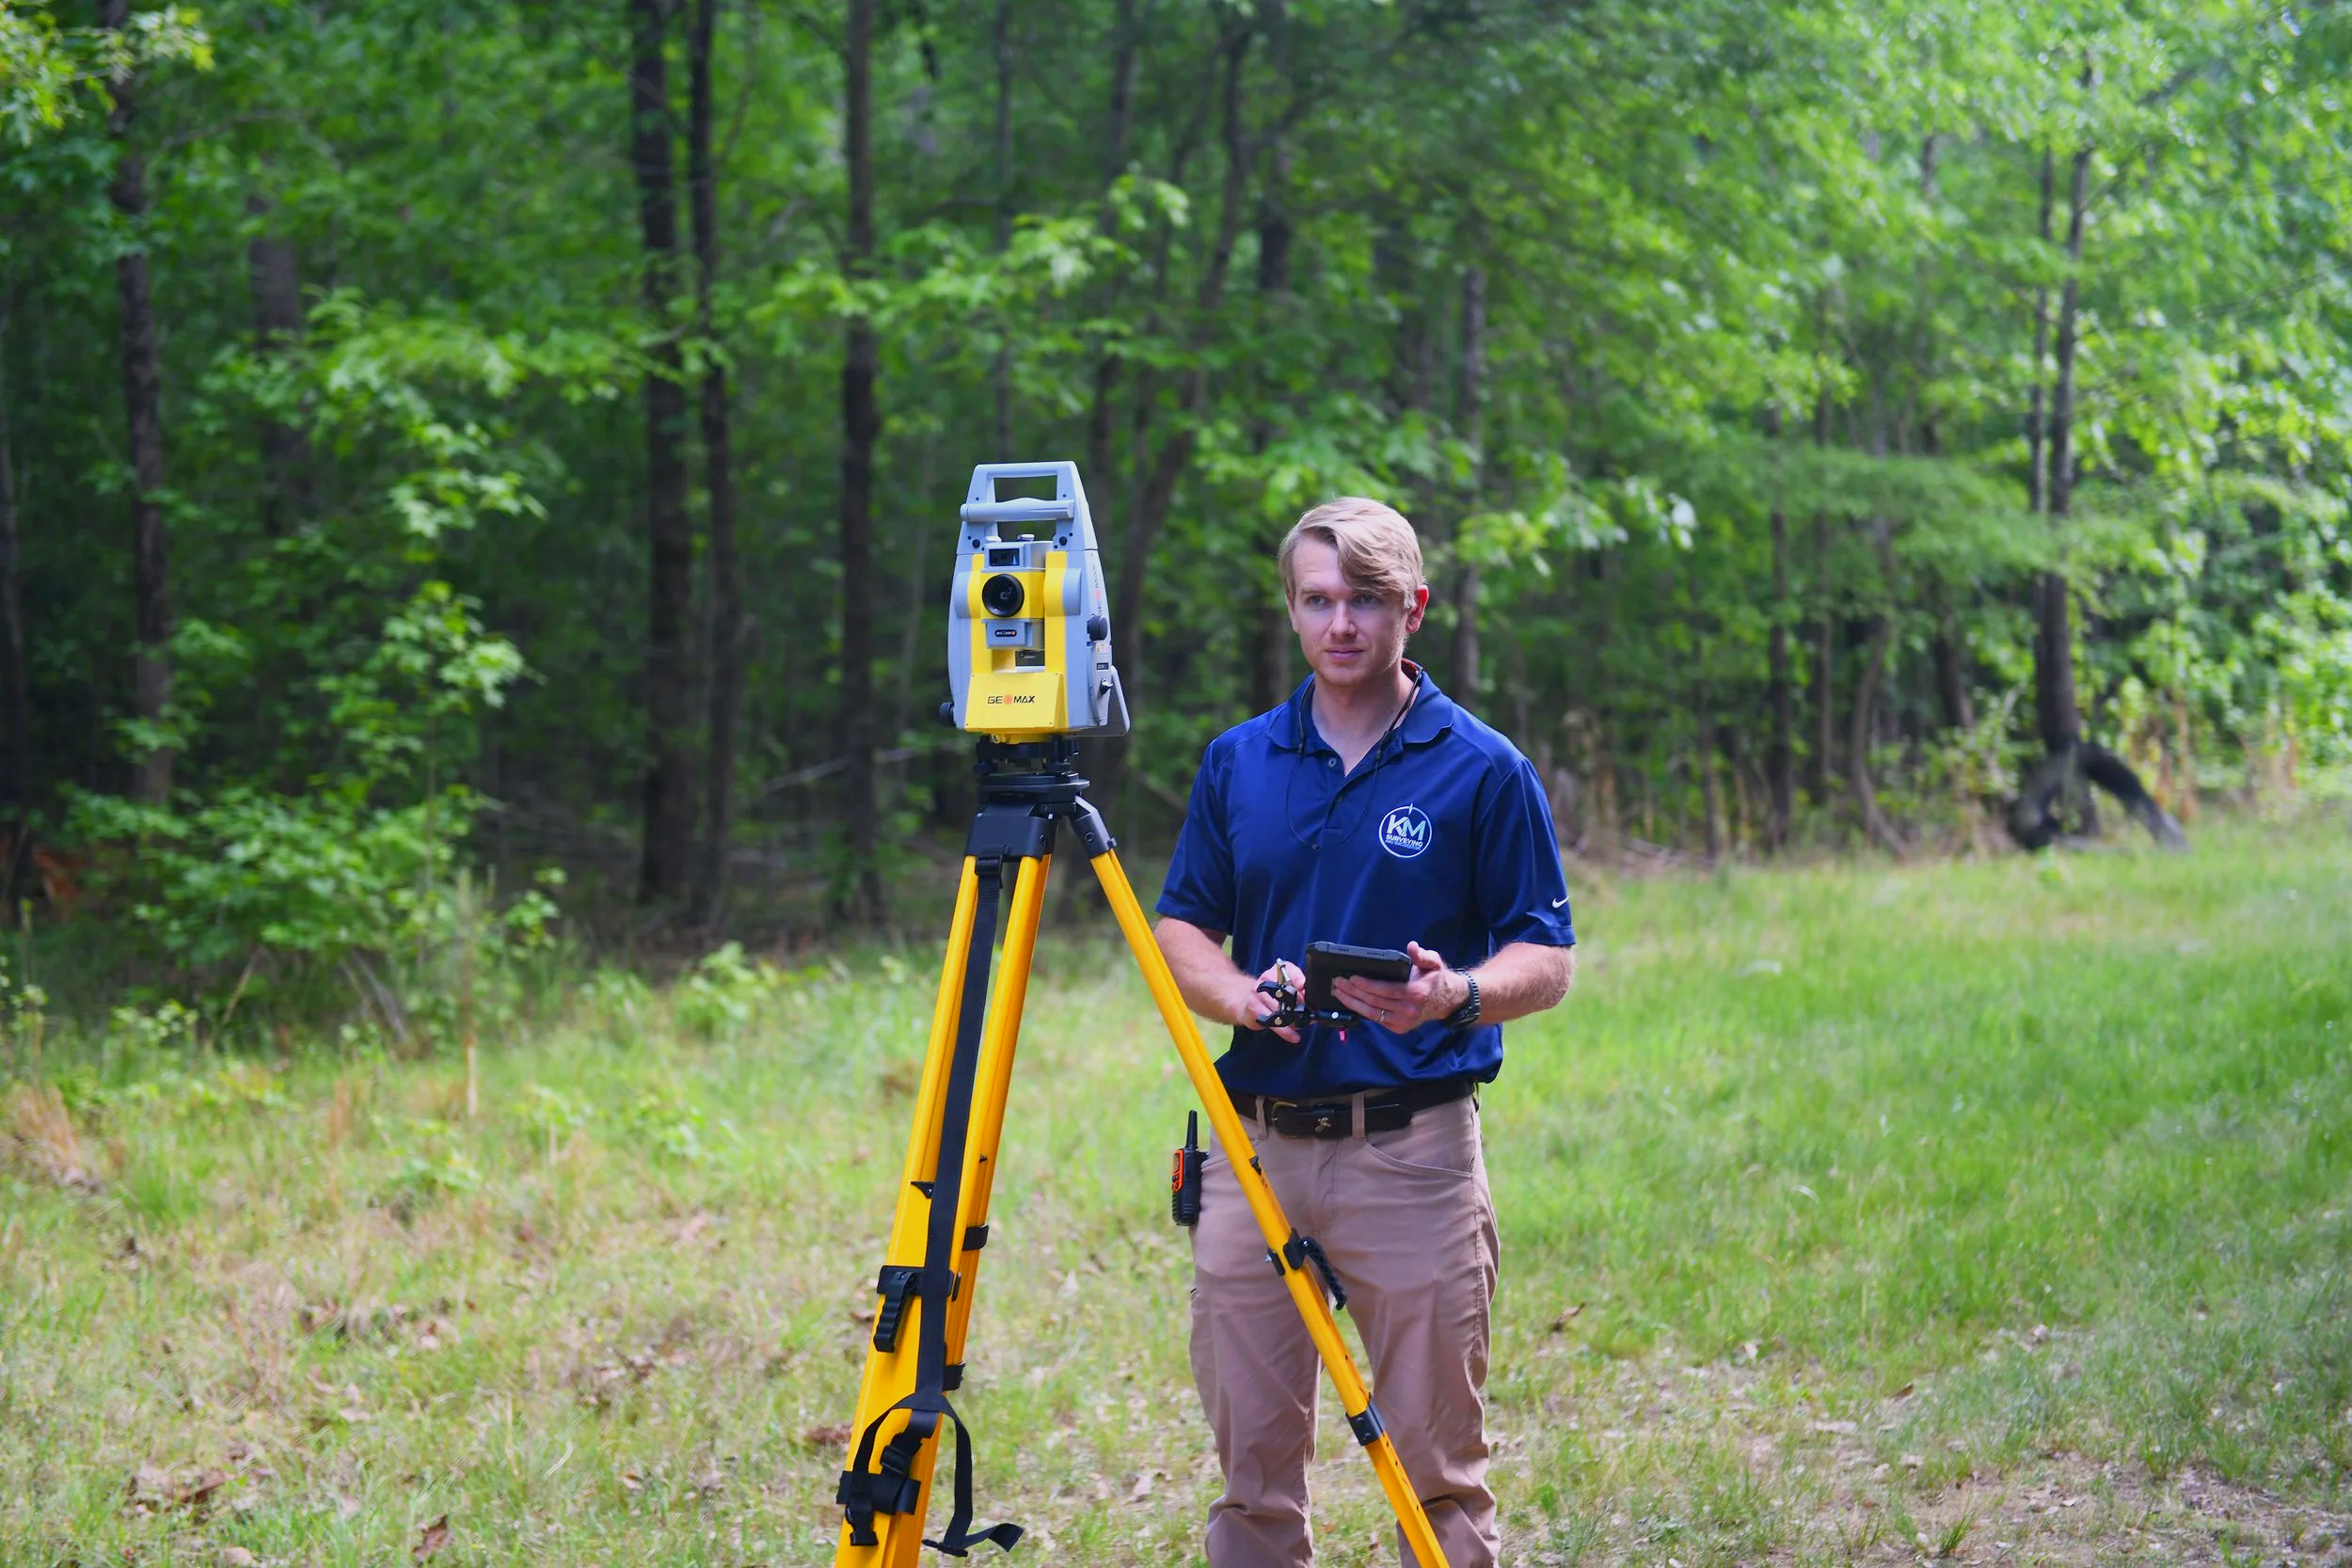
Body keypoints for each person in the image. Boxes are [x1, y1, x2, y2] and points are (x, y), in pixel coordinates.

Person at [1154, 497, 1577, 1568]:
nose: (1340, 622)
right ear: (1293, 610)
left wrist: (1459, 993)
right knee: (1251, 1473)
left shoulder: (1482, 768)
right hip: (1255, 1149)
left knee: (1436, 1472)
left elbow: (1548, 957)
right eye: (1318, 599)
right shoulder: (1238, 761)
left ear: (1413, 609)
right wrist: (1246, 996)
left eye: (1365, 600)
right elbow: (1180, 929)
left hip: (1412, 1152)